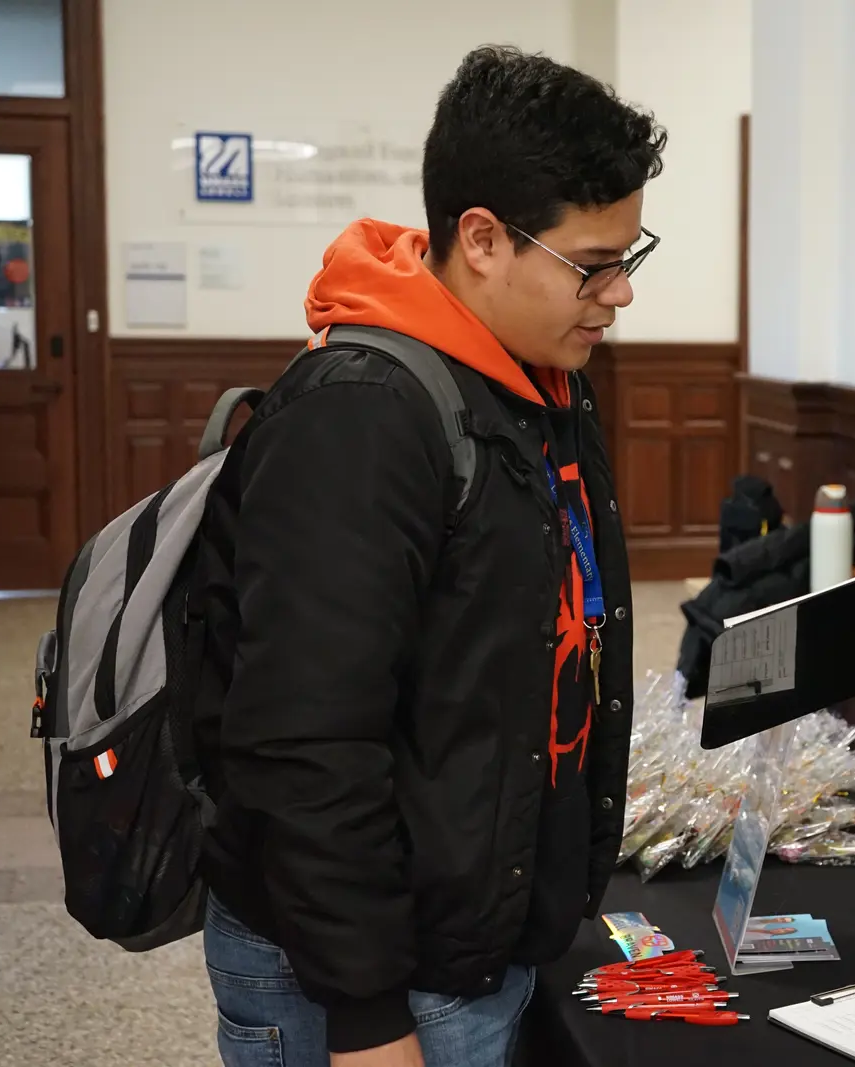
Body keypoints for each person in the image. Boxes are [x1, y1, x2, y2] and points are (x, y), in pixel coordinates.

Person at [195, 47, 665, 1067]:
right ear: (484, 240)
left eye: (633, 253)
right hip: (357, 977)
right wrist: (368, 1020)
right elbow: (304, 742)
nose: (620, 292)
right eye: (595, 263)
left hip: (470, 934)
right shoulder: (360, 414)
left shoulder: (536, 376)